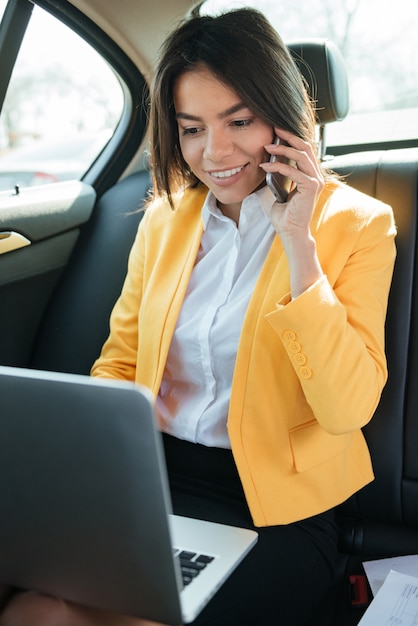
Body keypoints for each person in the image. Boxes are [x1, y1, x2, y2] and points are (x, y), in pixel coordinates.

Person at [0, 7, 396, 626]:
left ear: (285, 115)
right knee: (35, 609)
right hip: (151, 484)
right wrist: (97, 467)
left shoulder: (358, 224)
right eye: (191, 128)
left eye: (239, 121)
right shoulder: (165, 218)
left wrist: (299, 246)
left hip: (278, 510)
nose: (214, 152)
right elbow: (121, 360)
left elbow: (348, 408)